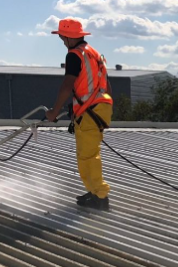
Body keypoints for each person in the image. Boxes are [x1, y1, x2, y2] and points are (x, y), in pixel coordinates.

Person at [45, 19, 113, 211]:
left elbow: (67, 85)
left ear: (68, 36)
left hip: (91, 110)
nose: (61, 40)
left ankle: (100, 196)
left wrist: (54, 111)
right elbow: (104, 84)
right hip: (97, 107)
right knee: (86, 154)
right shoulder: (93, 53)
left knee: (89, 155)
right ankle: (93, 191)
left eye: (61, 36)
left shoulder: (74, 55)